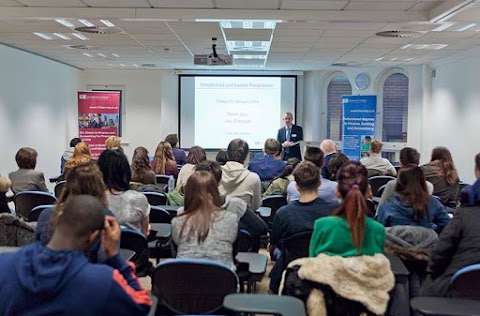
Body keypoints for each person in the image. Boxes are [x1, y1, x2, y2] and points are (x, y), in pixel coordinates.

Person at [0, 195, 151, 316]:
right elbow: (142, 305)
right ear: (94, 237)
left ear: (57, 219)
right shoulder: (104, 282)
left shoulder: (4, 264)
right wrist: (115, 257)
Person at [269, 161, 340, 293]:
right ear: (319, 183)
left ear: (296, 186)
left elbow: (275, 242)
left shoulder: (283, 213)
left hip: (293, 267)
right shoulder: (335, 210)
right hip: (326, 267)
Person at [422, 153, 480, 297]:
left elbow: (440, 253)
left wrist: (432, 271)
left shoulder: (465, 213)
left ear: (476, 170)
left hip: (462, 288)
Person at [35, 163, 115, 263]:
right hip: (89, 276)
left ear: (68, 187)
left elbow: (37, 256)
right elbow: (107, 262)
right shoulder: (106, 218)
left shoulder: (46, 215)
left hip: (49, 275)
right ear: (100, 188)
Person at [309, 161, 385, 257]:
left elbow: (311, 266)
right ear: (368, 192)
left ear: (337, 192)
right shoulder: (378, 230)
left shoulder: (322, 226)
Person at [172, 171, 238, 268]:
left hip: (184, 280)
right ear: (216, 192)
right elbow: (234, 252)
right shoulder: (231, 219)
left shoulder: (177, 222)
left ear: (187, 194)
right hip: (222, 280)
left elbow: (177, 248)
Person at [376, 165, 450, 233]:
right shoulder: (433, 203)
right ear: (422, 181)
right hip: (427, 245)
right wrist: (431, 230)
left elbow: (379, 233)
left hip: (394, 246)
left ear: (399, 182)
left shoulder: (387, 207)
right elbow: (447, 226)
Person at [98, 149, 150, 237]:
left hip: (103, 249)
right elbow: (144, 234)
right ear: (126, 171)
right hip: (135, 249)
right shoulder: (139, 199)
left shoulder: (93, 201)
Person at [219, 139, 262, 211]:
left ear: (227, 154)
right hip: (242, 219)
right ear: (246, 157)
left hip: (217, 219)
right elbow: (256, 206)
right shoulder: (253, 178)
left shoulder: (214, 174)